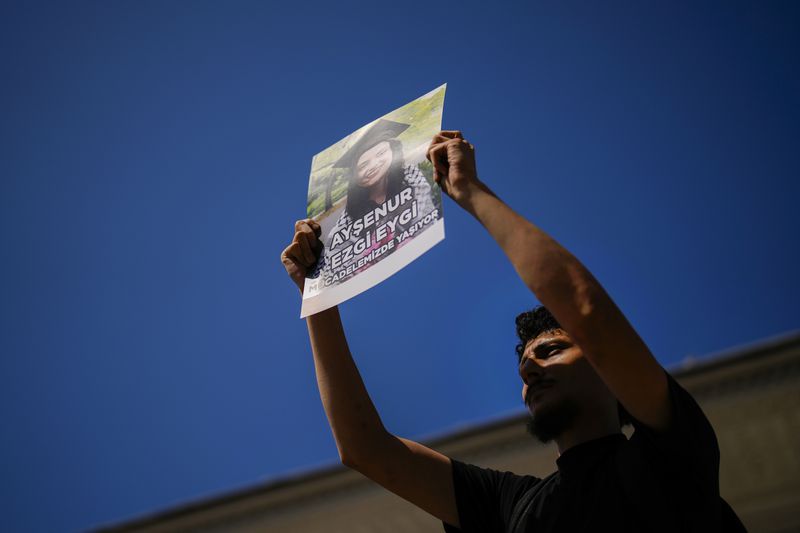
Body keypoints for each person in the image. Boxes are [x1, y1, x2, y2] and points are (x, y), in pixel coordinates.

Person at [281, 131, 745, 532]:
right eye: (525, 363)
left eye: (553, 350)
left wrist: (469, 191)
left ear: (607, 372)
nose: (529, 367)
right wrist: (318, 294)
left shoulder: (670, 454)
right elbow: (365, 448)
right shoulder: (508, 507)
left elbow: (584, 309)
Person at [313, 118, 439, 283]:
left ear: (393, 151)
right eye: (363, 165)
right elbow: (335, 264)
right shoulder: (348, 218)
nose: (373, 166)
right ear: (353, 176)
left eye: (380, 154)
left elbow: (426, 219)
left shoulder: (409, 176)